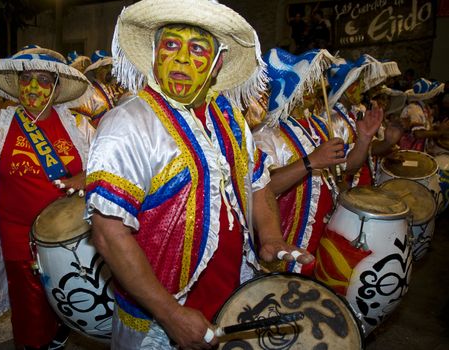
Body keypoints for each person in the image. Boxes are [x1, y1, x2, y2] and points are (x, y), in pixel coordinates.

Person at [85, 0, 313, 348]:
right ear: (154, 52)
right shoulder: (128, 123)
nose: (180, 59)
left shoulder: (228, 115)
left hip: (230, 299)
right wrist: (171, 315)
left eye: (197, 49)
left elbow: (257, 180)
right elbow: (107, 233)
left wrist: (269, 236)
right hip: (158, 322)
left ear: (217, 62)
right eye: (171, 45)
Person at [0, 48, 94, 350]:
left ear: (57, 87)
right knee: (28, 301)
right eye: (27, 78)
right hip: (17, 232)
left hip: (71, 236)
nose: (33, 87)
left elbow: (108, 167)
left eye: (44, 80)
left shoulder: (79, 126)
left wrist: (85, 177)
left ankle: (57, 333)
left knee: (66, 295)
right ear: (17, 83)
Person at [253, 48, 383, 275]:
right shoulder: (266, 135)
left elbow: (347, 168)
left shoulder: (319, 127)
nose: (316, 88)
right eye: (309, 83)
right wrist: (310, 162)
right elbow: (264, 187)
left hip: (320, 237)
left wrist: (363, 140)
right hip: (283, 240)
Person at [326, 55, 396, 187]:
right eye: (357, 83)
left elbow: (370, 148)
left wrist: (388, 142)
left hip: (365, 188)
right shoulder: (332, 119)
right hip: (350, 196)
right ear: (344, 88)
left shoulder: (355, 112)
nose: (363, 87)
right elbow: (345, 167)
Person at [74, 50, 126, 127]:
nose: (110, 71)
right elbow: (85, 124)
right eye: (105, 67)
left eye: (111, 67)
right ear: (96, 70)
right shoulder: (89, 93)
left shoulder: (111, 90)